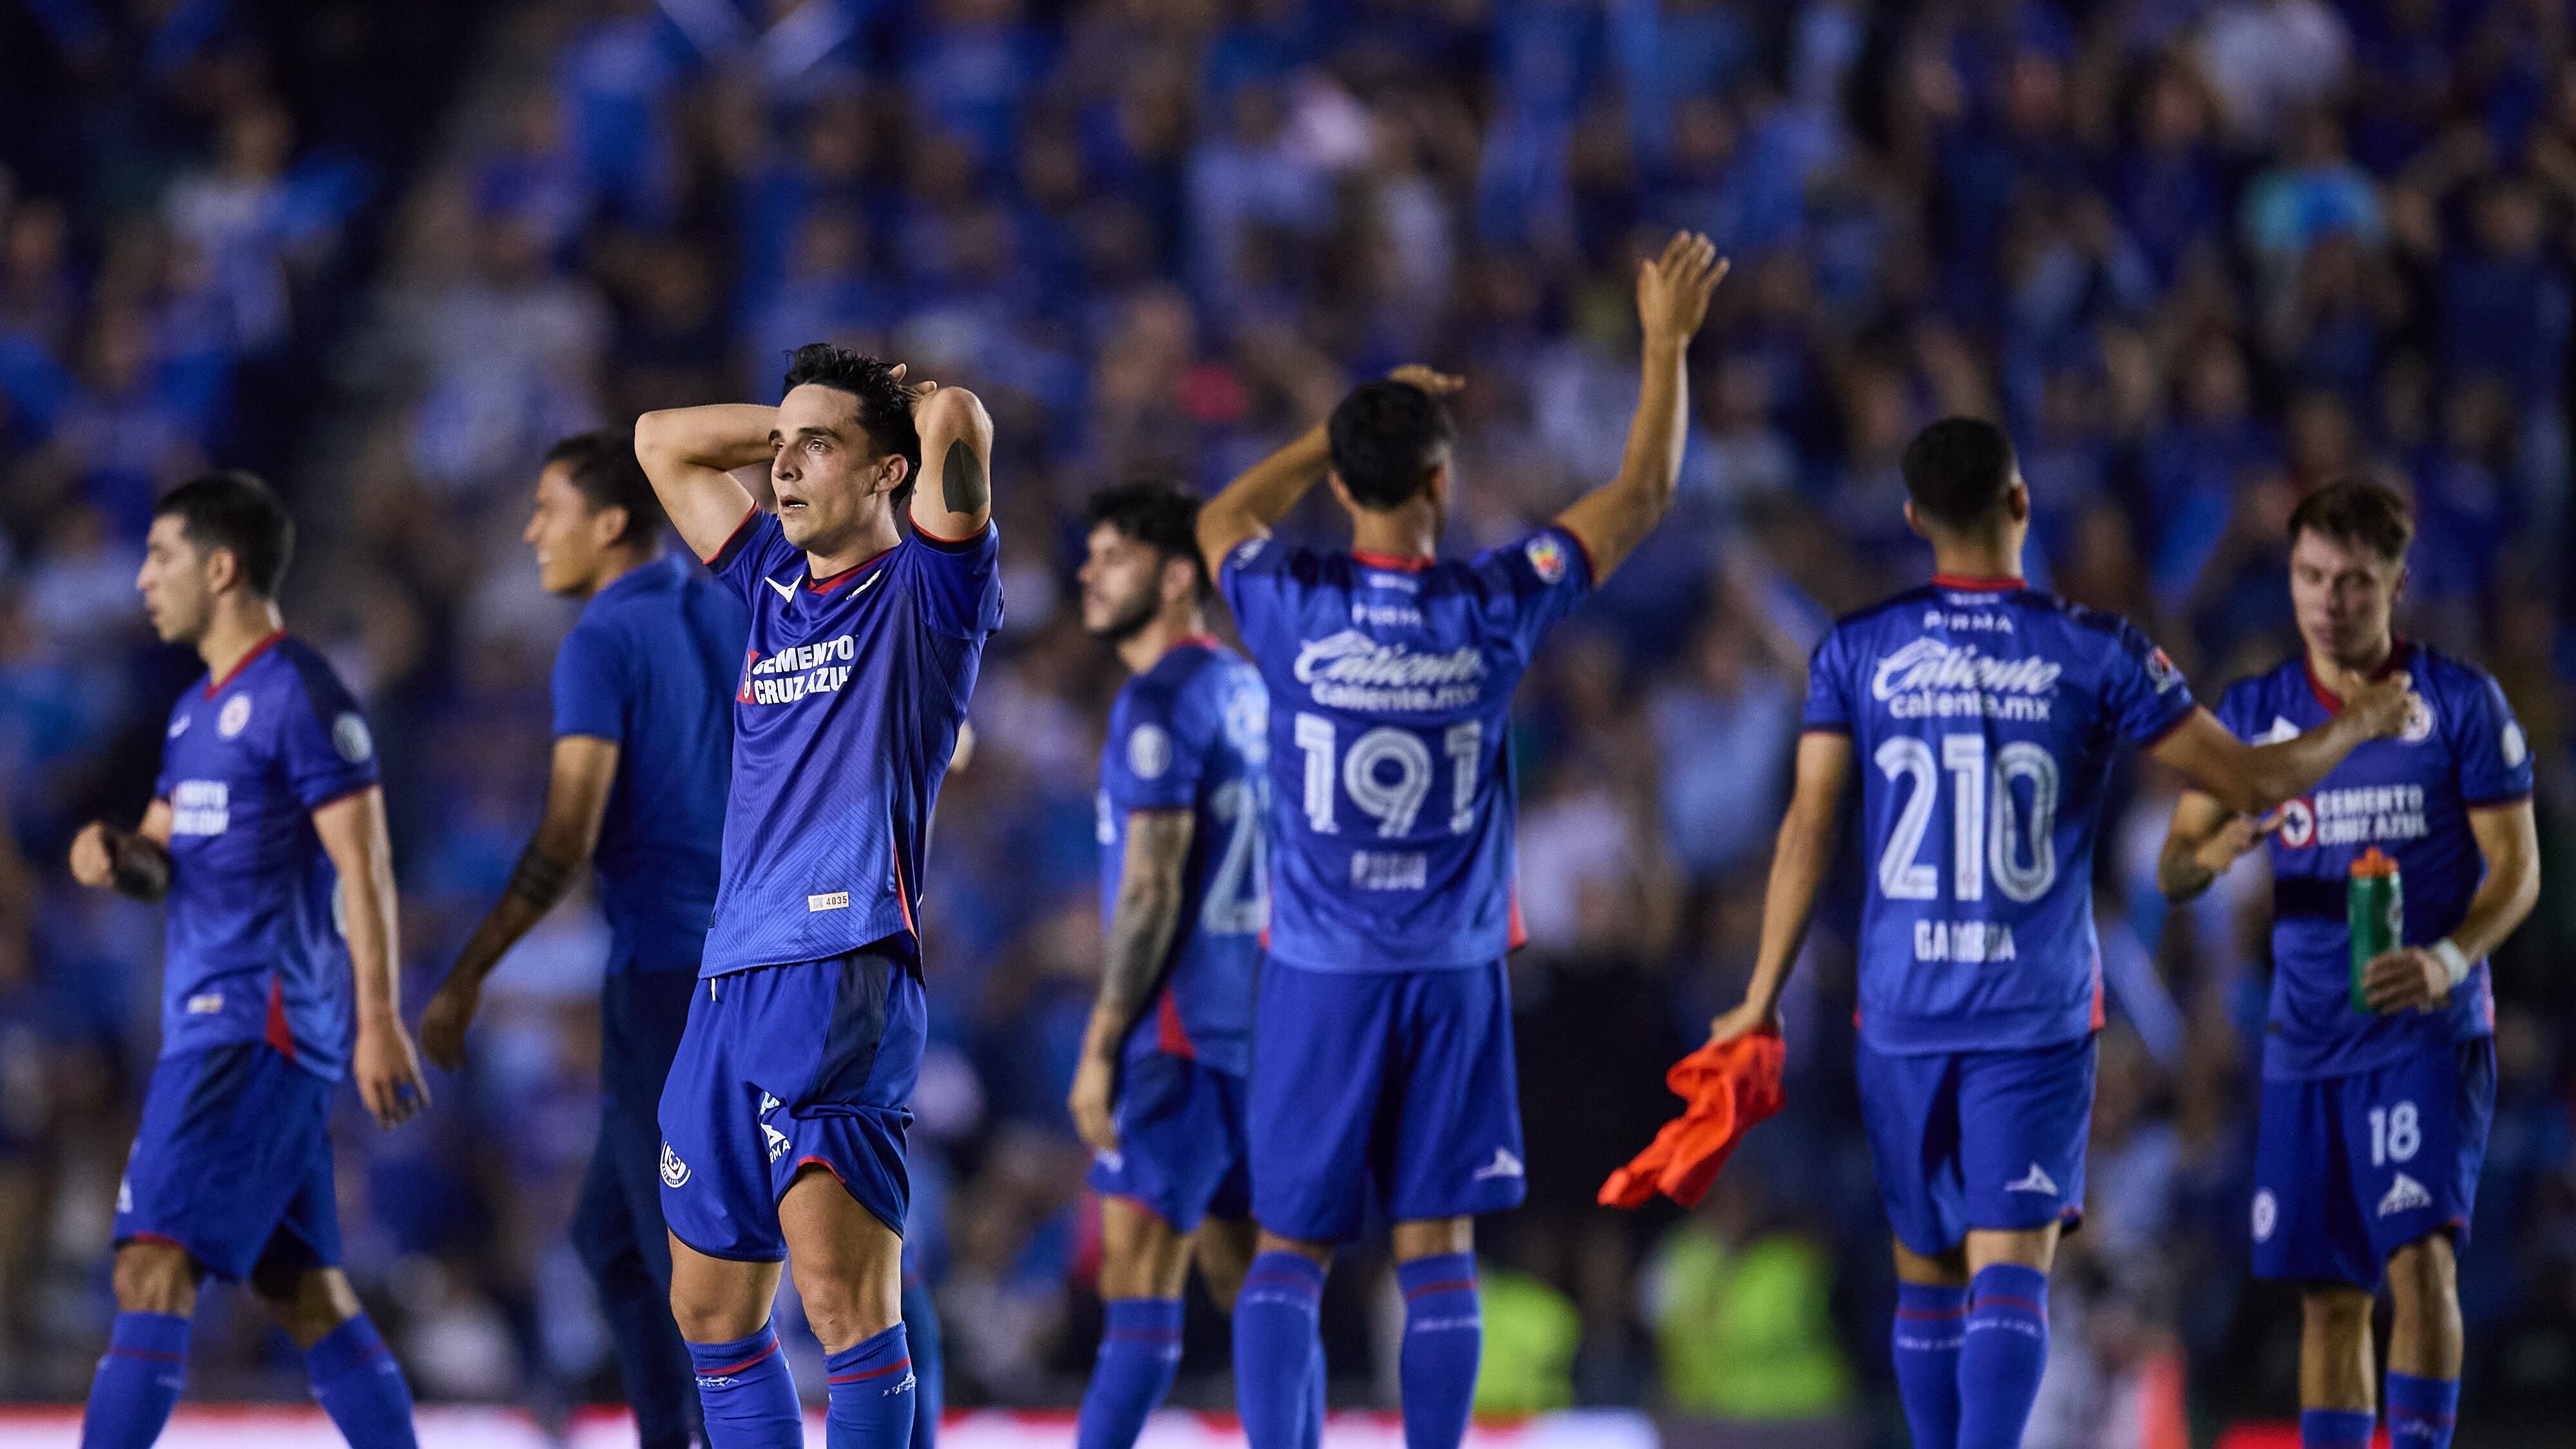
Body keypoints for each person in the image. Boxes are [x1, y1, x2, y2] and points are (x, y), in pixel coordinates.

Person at [1703, 418, 2414, 1449]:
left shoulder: (1854, 649)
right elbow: (2251, 780)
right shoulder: (2098, 647)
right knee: (2011, 1273)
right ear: (2022, 503)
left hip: (1903, 1005)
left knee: (1927, 1275)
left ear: (1913, 519)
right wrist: (2355, 723)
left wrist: (1762, 991)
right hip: (2032, 1012)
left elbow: (1808, 826)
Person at [1197, 232, 1728, 1449]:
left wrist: (1322, 431)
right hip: (1451, 972)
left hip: (1320, 971)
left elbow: (1221, 515)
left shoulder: (1289, 602)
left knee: (1293, 1246)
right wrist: (1663, 343)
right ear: (1442, 486)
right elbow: (1641, 495)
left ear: (1345, 485)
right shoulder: (1496, 601)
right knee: (1439, 1247)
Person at [633, 343, 999, 1449]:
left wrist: (916, 410)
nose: (780, 469)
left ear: (889, 474)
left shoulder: (930, 593)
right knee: (709, 1306)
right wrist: (806, 423)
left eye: (814, 451)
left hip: (843, 972)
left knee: (844, 1305)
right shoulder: (773, 583)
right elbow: (662, 440)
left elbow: (966, 426)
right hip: (729, 973)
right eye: (779, 450)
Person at [2157, 482, 2539, 1449]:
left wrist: (2451, 958)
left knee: (2419, 1267)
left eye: (2356, 581)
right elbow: (2174, 866)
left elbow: (2519, 868)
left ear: (2398, 583)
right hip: (2305, 1042)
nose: (2330, 599)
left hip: (2422, 1032)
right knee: (2328, 1297)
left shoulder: (2456, 702)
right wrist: (2217, 851)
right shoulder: (2257, 712)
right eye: (2311, 576)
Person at [70, 471, 430, 1449]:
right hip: (222, 1025)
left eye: (161, 556)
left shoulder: (300, 694)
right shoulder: (193, 714)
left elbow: (367, 863)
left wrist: (381, 1019)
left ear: (221, 567)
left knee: (151, 1268)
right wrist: (118, 853)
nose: (142, 578)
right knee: (306, 1291)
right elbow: (159, 857)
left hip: (253, 1026)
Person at [419, 431, 746, 1449]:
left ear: (610, 522)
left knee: (678, 1256)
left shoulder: (603, 638)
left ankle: (718, 1434)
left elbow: (567, 831)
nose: (532, 531)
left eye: (548, 508)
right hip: (747, 953)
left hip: (660, 968)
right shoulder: (731, 601)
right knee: (610, 1236)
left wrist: (469, 972)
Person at [1065, 480, 1280, 1449]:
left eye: (1114, 556)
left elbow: (1152, 888)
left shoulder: (1159, 700)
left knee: (1138, 1290)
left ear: (1179, 574)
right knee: (1262, 1293)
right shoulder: (1249, 684)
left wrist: (1103, 1041)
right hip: (1266, 1031)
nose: (1089, 572)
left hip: (1179, 1030)